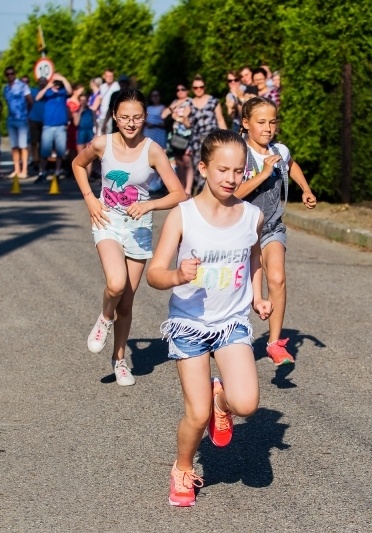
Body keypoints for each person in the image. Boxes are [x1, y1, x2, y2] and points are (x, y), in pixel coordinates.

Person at [146, 129, 272, 507]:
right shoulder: (183, 215)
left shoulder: (252, 215)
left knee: (246, 404)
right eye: (222, 170)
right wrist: (177, 276)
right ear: (203, 168)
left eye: (238, 170)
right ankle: (183, 468)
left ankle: (224, 403)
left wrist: (257, 295)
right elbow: (155, 274)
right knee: (196, 413)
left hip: (231, 323)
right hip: (189, 325)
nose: (231, 178)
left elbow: (254, 256)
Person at [72, 89, 185, 386]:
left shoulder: (152, 150)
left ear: (145, 117)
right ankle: (104, 318)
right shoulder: (101, 144)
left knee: (127, 303)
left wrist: (149, 204)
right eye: (124, 117)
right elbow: (77, 164)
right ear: (114, 116)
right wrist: (90, 200)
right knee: (116, 283)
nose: (131, 123)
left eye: (136, 117)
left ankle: (119, 360)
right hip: (107, 219)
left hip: (138, 226)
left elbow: (178, 193)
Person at [234, 97, 316, 365]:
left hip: (271, 227)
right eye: (261, 122)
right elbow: (235, 192)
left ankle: (274, 343)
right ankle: (228, 337)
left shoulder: (279, 149)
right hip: (240, 230)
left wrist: (305, 189)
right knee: (236, 288)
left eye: (272, 122)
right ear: (246, 124)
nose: (268, 128)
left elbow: (291, 165)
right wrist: (263, 172)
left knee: (278, 279)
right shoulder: (238, 153)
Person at [183, 75, 227, 192]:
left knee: (214, 164)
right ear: (192, 89)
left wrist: (228, 137)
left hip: (213, 139)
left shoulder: (213, 101)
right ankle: (204, 193)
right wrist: (185, 116)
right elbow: (187, 125)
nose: (199, 89)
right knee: (200, 168)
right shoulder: (190, 104)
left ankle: (214, 191)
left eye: (201, 87)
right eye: (196, 87)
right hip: (197, 141)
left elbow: (220, 119)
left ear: (205, 87)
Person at [35, 73, 71, 181]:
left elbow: (70, 91)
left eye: (58, 82)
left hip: (60, 126)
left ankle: (57, 172)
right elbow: (37, 97)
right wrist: (48, 85)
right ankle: (43, 171)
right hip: (48, 126)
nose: (57, 83)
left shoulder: (63, 92)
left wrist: (63, 78)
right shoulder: (48, 92)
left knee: (60, 151)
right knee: (45, 151)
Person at [2, 66, 33, 179]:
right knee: (14, 146)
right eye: (8, 74)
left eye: (12, 73)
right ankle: (16, 169)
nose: (10, 76)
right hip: (11, 119)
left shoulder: (22, 86)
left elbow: (30, 100)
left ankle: (24, 169)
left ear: (15, 74)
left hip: (22, 119)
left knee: (23, 145)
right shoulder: (5, 88)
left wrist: (26, 113)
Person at [164, 84, 193, 197]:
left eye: (183, 89)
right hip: (175, 136)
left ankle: (188, 190)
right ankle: (182, 188)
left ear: (188, 90)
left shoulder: (191, 102)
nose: (180, 91)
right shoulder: (175, 102)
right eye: (178, 89)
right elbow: (163, 115)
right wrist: (174, 105)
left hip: (187, 136)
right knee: (179, 163)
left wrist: (178, 118)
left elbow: (189, 122)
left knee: (187, 162)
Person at [28, 77, 47, 172]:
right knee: (34, 142)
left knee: (43, 143)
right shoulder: (33, 91)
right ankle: (35, 160)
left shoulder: (48, 92)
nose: (42, 83)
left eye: (44, 82)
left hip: (45, 120)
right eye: (41, 82)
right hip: (34, 119)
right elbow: (30, 102)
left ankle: (41, 160)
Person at [96, 69, 120, 136]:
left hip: (111, 116)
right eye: (107, 76)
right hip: (102, 115)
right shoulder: (102, 87)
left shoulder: (117, 86)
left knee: (109, 136)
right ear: (104, 76)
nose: (109, 78)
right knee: (101, 136)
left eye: (111, 76)